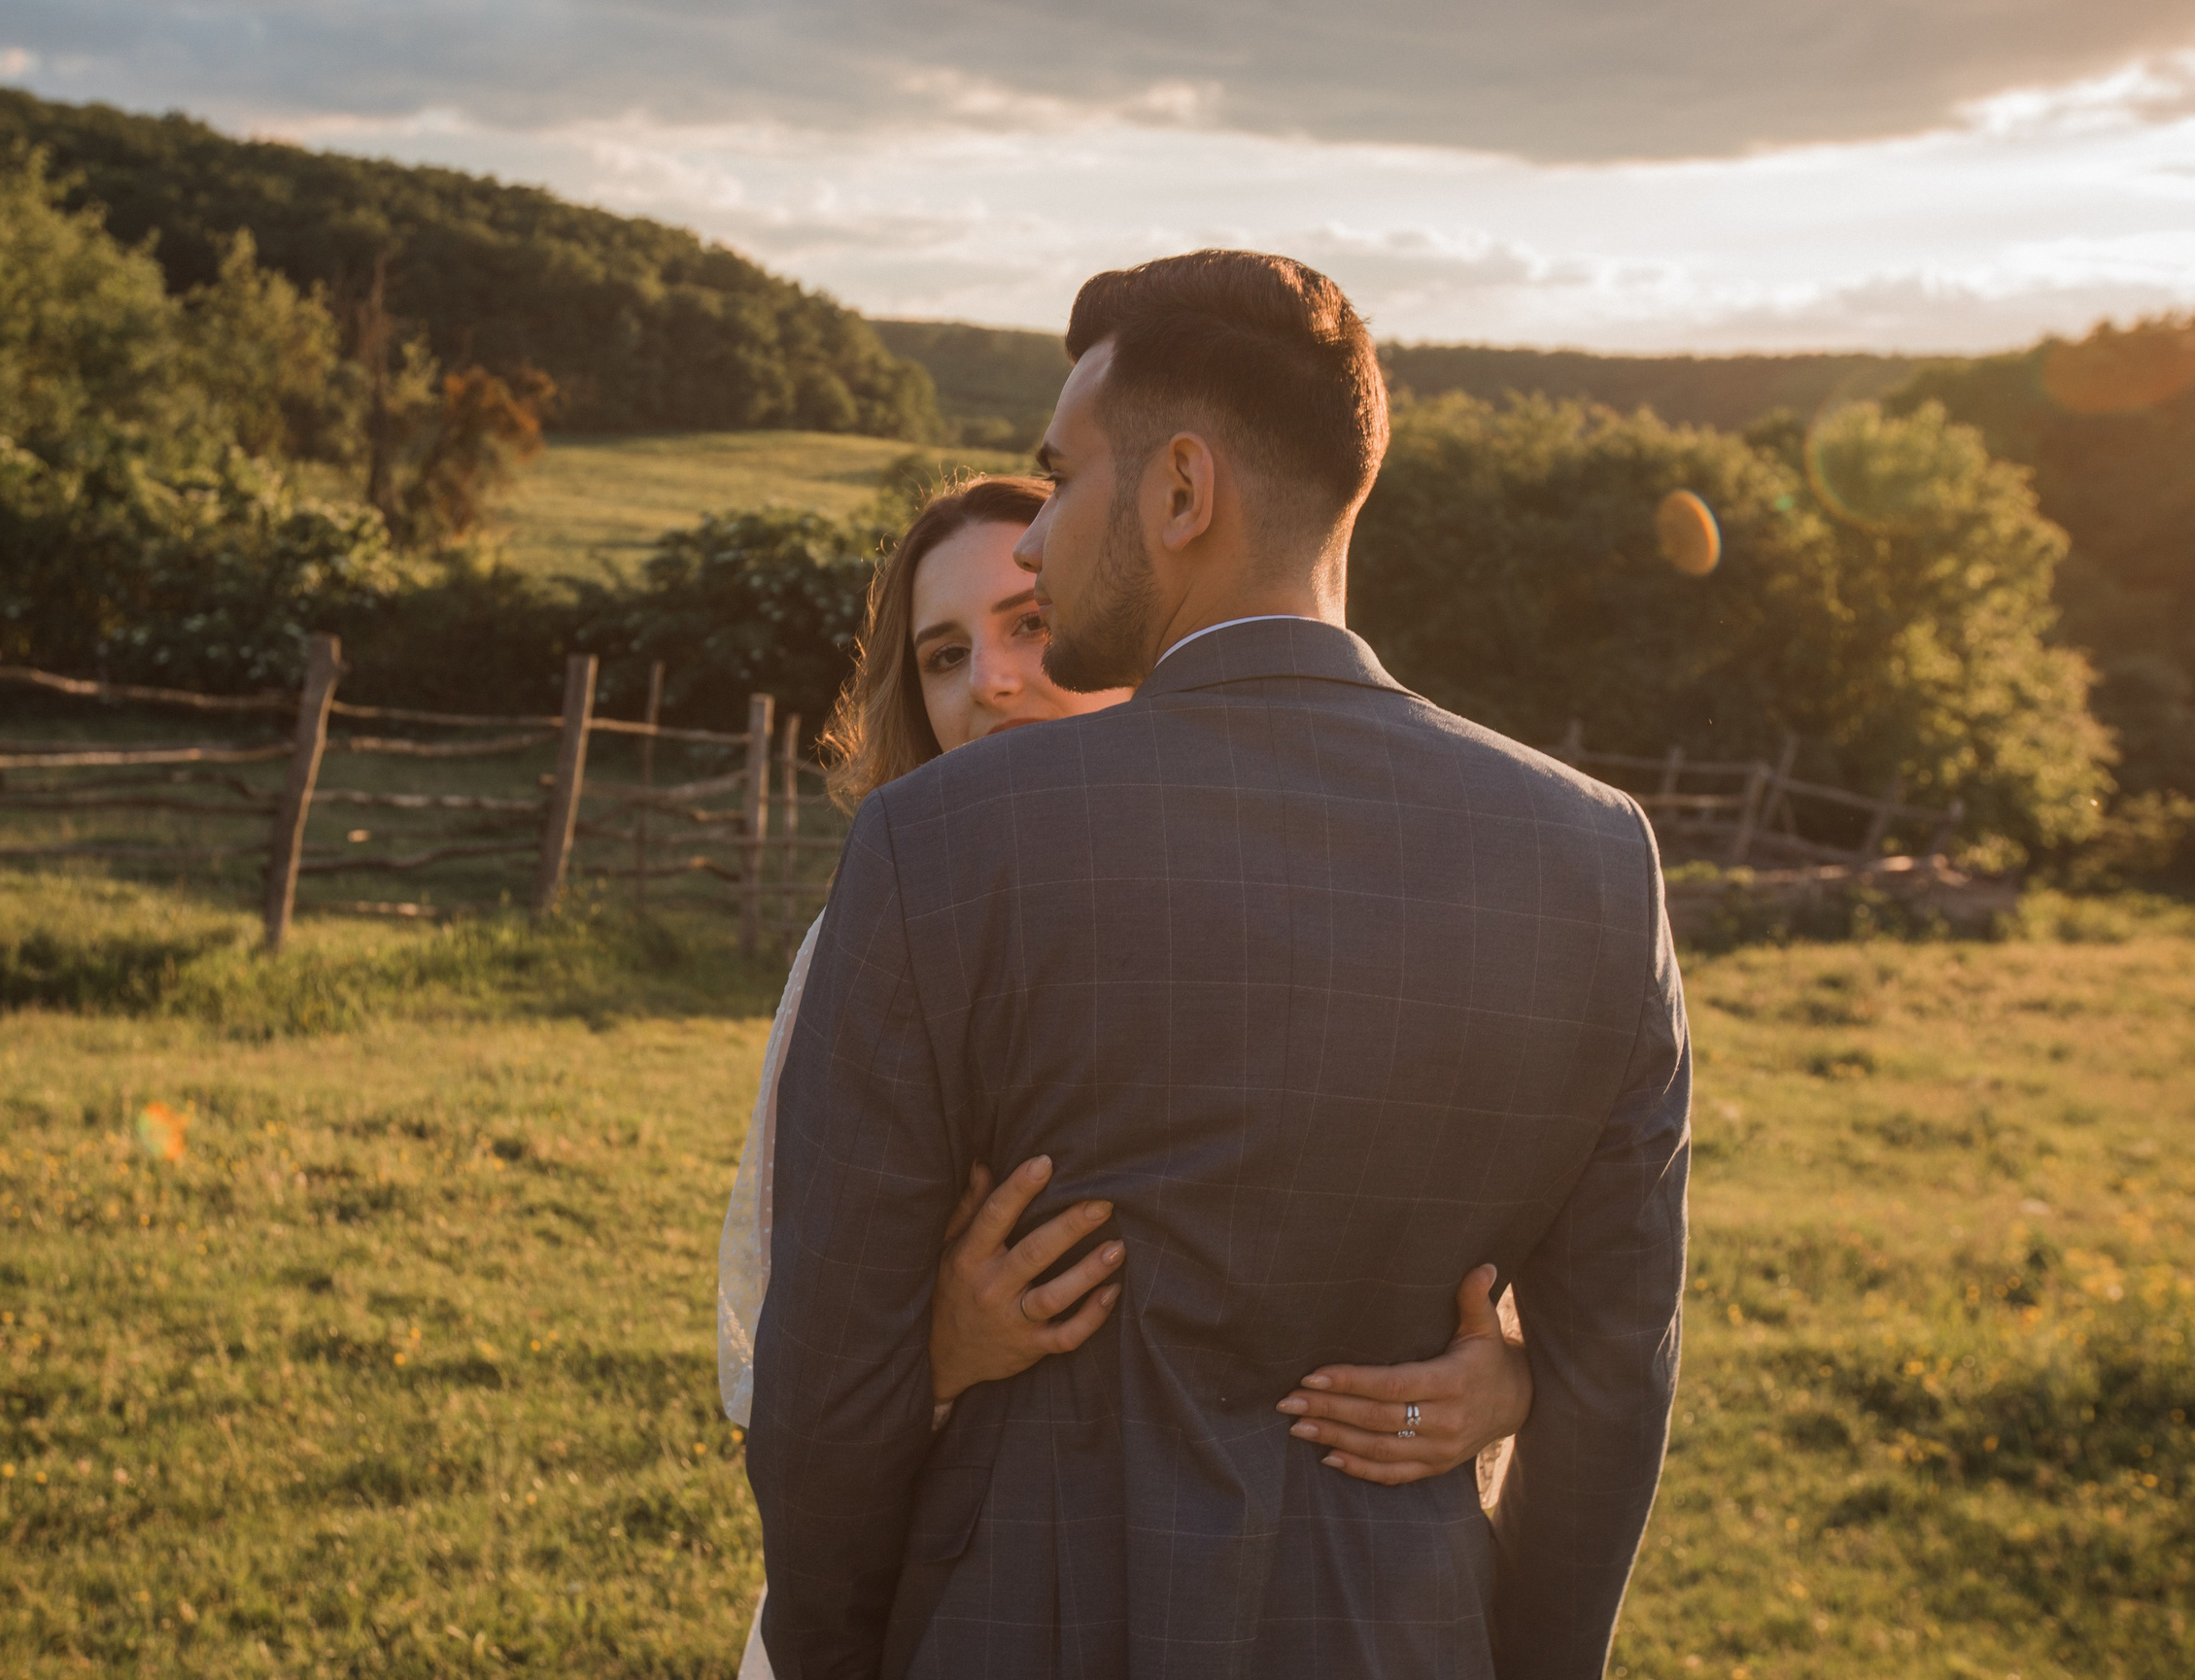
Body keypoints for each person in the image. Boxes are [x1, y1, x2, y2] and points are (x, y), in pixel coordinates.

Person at [748, 251, 1690, 1679]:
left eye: (1061, 483)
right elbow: (1615, 1383)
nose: (1039, 539)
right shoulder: (1594, 856)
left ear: (1183, 491)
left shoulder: (938, 845)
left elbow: (821, 1401)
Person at [717, 474, 1533, 1680]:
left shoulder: (1322, 919)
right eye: (943, 655)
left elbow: (1441, 1235)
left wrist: (1503, 1379)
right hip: (982, 1597)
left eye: (1029, 624)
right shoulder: (878, 944)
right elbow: (774, 1336)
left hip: (1311, 1602)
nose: (987, 681)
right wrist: (930, 1351)